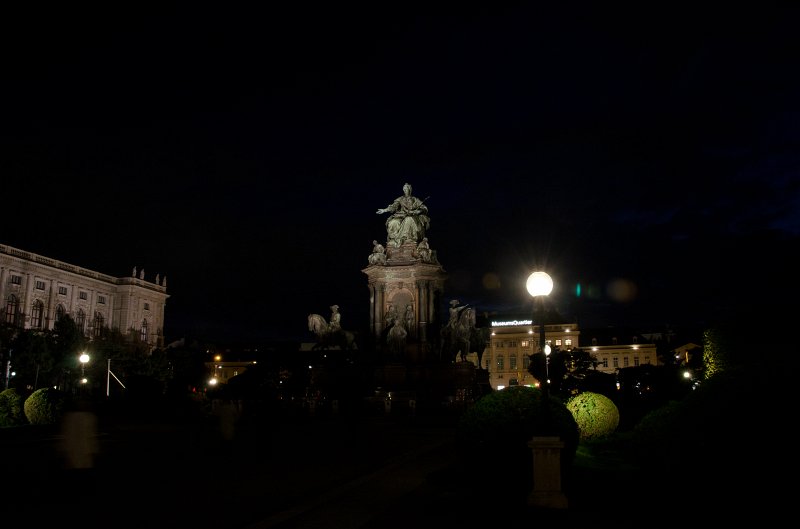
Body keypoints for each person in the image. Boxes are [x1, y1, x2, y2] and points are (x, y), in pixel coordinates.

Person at [376, 183, 430, 247]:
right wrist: (384, 210)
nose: (405, 190)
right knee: (393, 222)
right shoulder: (400, 199)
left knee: (408, 220)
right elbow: (393, 206)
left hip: (412, 215)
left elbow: (424, 208)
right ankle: (394, 240)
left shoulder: (415, 199)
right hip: (401, 215)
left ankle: (406, 239)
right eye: (404, 189)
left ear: (410, 190)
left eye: (406, 188)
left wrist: (418, 211)